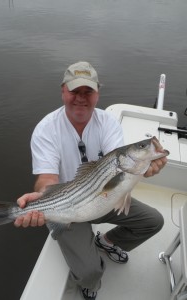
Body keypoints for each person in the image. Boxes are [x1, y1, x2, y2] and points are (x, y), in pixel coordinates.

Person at [14, 61, 167, 300]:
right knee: (90, 273)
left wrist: (145, 169)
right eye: (75, 91)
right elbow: (47, 178)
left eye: (88, 92)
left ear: (98, 94)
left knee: (154, 221)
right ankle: (88, 280)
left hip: (105, 198)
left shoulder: (107, 123)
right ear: (63, 91)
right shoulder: (46, 129)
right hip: (67, 207)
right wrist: (41, 197)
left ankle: (106, 241)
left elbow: (121, 168)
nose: (81, 99)